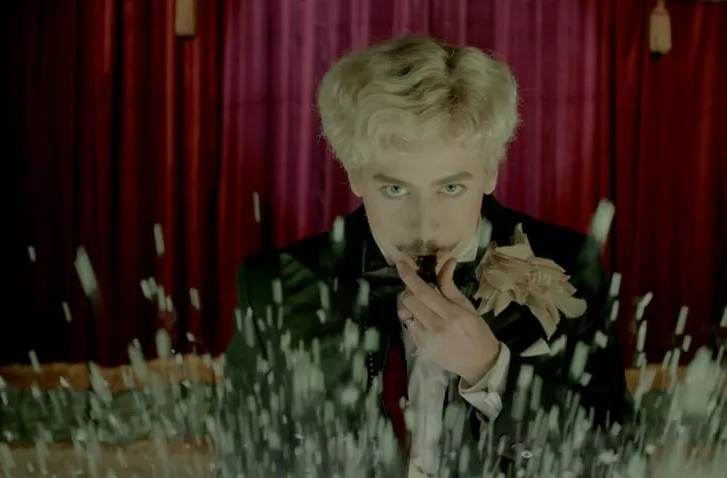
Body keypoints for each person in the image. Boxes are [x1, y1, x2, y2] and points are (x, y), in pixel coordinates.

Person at [218, 35, 634, 477]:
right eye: (395, 189)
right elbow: (246, 462)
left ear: (490, 171)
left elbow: (614, 457)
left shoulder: (571, 265)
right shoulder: (275, 285)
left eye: (450, 188)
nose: (425, 226)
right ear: (355, 174)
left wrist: (491, 371)